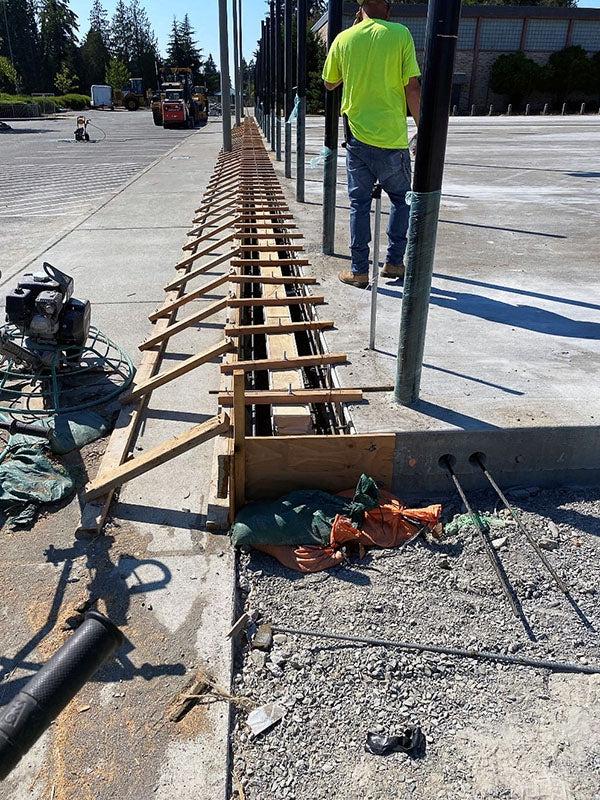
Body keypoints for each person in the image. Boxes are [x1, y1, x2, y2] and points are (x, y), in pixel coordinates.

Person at [322, 0, 421, 287]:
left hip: (358, 138)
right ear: (387, 7)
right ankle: (393, 263)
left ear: (360, 7)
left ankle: (359, 270)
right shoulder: (400, 34)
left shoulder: (344, 38)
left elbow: (330, 83)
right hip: (392, 138)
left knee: (359, 204)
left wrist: (353, 34)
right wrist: (423, 128)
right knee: (402, 202)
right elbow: (412, 87)